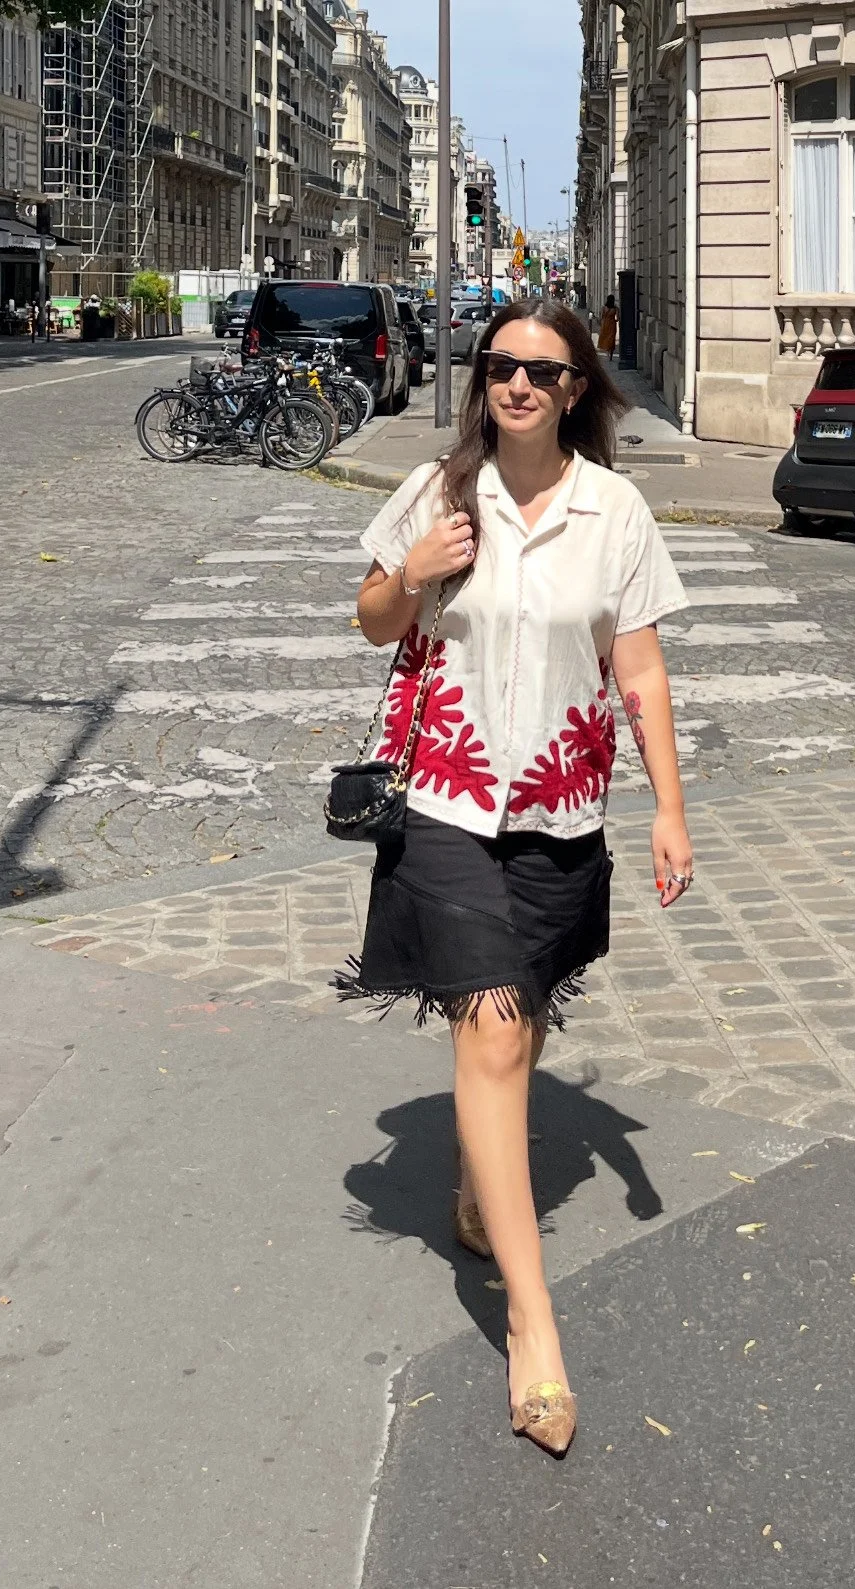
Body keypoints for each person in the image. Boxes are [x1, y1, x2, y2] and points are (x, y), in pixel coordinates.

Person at [342, 298, 694, 1457]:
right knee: (492, 1027)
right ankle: (533, 1326)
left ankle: (473, 1181)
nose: (520, 385)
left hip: (559, 807)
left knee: (522, 1019)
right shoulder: (439, 493)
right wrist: (412, 571)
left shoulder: (615, 510)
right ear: (482, 379)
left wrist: (669, 810)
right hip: (445, 803)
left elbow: (638, 667)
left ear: (577, 387)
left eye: (544, 370)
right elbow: (370, 620)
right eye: (501, 366)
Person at [597, 293, 618, 358]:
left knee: (605, 337)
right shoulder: (615, 308)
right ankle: (611, 353)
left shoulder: (604, 307)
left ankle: (607, 352)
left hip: (605, 323)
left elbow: (601, 316)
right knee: (612, 339)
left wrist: (600, 322)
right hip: (612, 324)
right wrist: (615, 320)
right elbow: (618, 318)